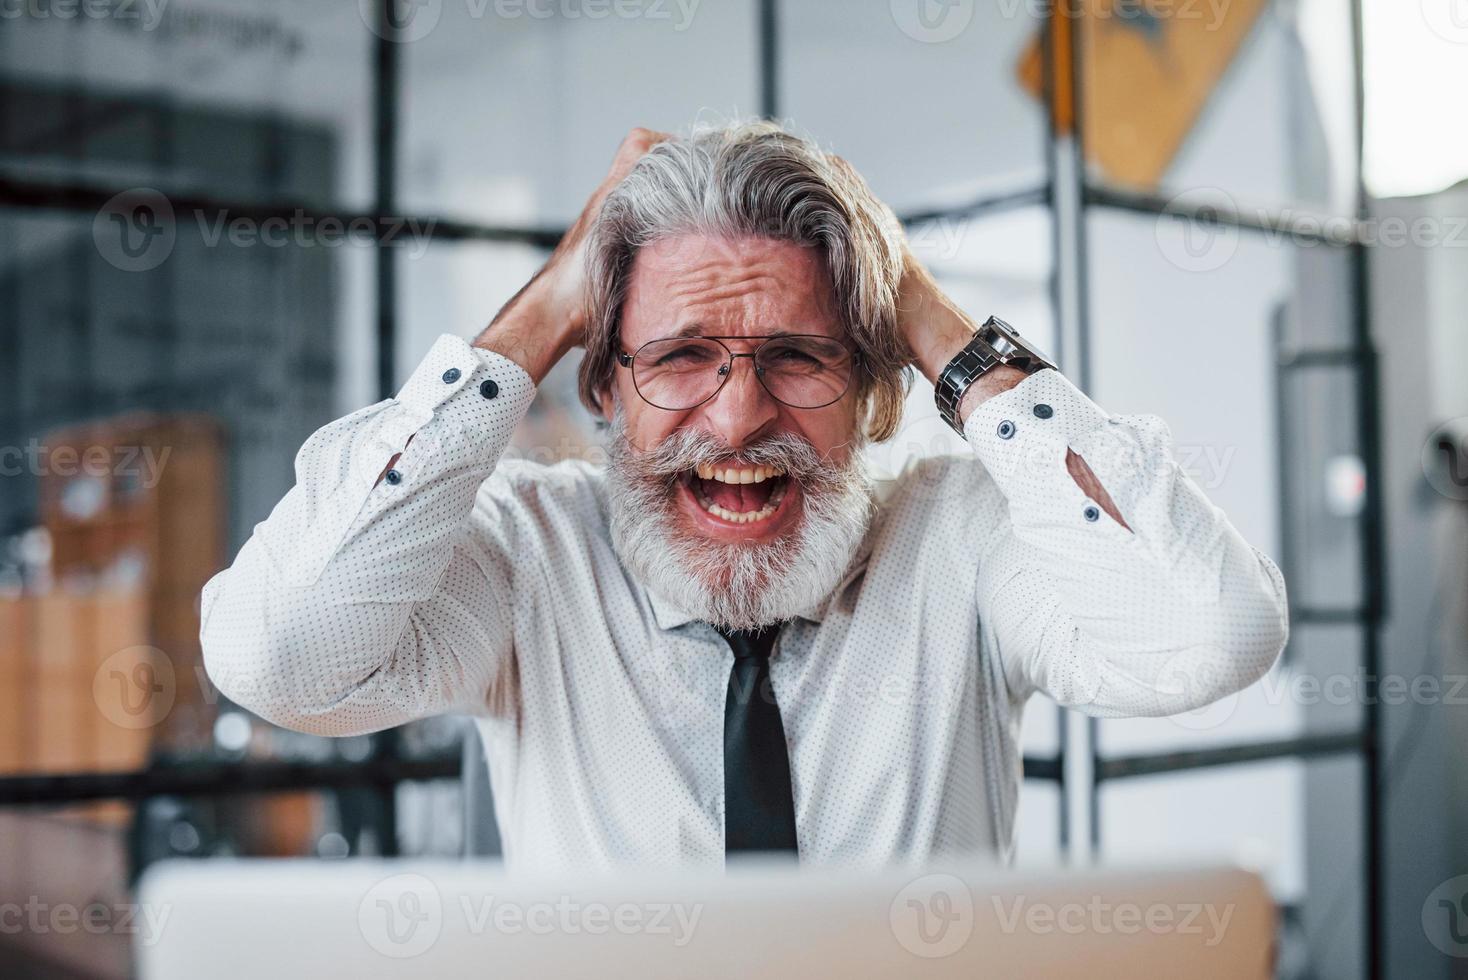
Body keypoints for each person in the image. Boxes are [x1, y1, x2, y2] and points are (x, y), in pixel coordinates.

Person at [200, 120, 1288, 870]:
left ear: (871, 389)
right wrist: (540, 311)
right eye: (678, 356)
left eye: (800, 357)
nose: (735, 421)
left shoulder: (958, 532)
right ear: (603, 384)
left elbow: (1209, 632)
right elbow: (278, 653)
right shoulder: (528, 553)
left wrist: (920, 310)